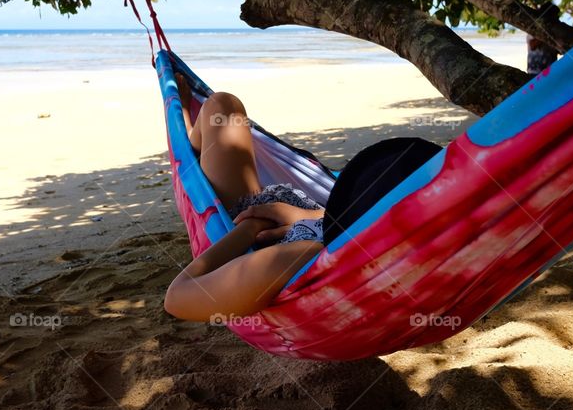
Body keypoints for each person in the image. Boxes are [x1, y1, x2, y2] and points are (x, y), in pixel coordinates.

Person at [163, 73, 442, 323]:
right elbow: (369, 226)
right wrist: (309, 216)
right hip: (321, 216)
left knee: (221, 107)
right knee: (223, 109)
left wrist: (251, 228)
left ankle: (188, 137)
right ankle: (196, 141)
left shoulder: (300, 256)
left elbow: (178, 298)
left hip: (249, 217)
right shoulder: (415, 246)